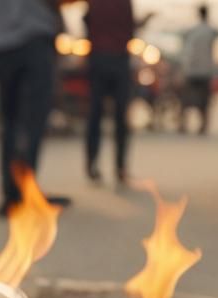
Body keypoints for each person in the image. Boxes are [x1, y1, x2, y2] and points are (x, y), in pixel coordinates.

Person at [0, 0, 67, 215]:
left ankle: (11, 194)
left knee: (10, 121)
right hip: (33, 38)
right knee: (33, 119)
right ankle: (25, 190)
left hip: (2, 41)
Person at [83, 1, 150, 184]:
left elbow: (86, 21)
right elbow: (131, 28)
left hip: (98, 58)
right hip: (118, 59)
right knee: (120, 115)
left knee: (96, 113)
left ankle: (93, 164)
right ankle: (120, 167)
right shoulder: (124, 3)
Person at [179, 5, 218, 135]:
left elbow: (182, 39)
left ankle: (183, 124)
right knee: (204, 100)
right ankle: (203, 126)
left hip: (191, 69)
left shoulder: (191, 30)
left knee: (186, 99)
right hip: (205, 70)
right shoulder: (210, 30)